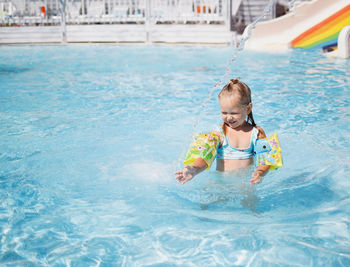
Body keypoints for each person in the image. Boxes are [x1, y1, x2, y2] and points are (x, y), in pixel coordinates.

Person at [175, 79, 270, 185]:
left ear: (248, 109)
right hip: (220, 184)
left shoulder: (257, 133)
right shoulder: (218, 133)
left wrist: (260, 173)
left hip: (245, 184)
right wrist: (194, 170)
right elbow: (205, 157)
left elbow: (266, 160)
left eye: (234, 113)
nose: (229, 117)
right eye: (224, 112)